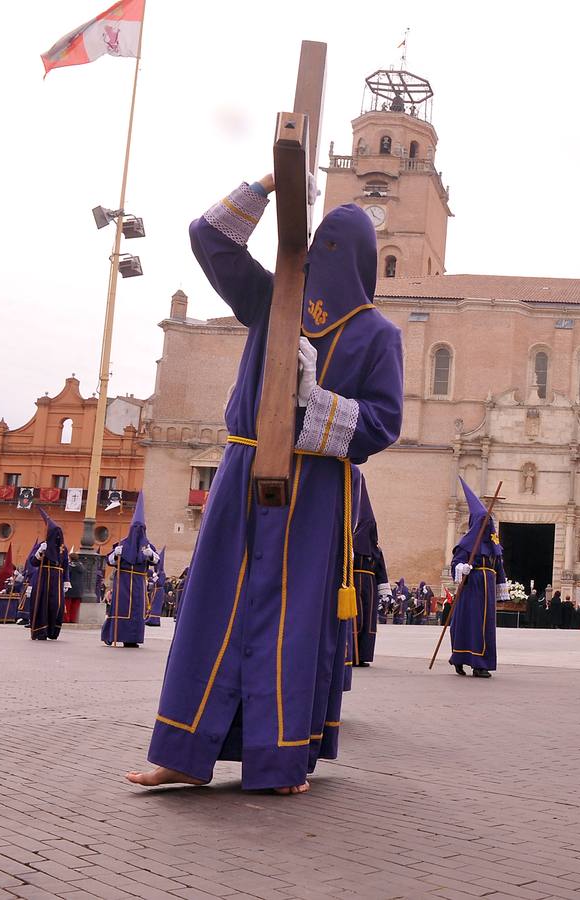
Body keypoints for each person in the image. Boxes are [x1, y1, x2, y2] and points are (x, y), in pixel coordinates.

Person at [126, 173, 404, 794]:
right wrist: (267, 185)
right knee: (212, 608)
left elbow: (384, 422)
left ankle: (279, 760)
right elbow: (210, 237)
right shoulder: (272, 299)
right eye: (312, 250)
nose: (316, 265)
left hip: (315, 490)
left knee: (293, 618)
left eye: (331, 252)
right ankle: (183, 750)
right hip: (241, 474)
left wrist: (316, 401)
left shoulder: (379, 336)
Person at [448, 478, 507, 678]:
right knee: (469, 623)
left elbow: (499, 567)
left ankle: (481, 664)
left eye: (488, 522)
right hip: (472, 588)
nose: (487, 526)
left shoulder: (493, 547)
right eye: (483, 522)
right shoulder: (466, 544)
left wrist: (501, 587)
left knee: (485, 625)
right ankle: (461, 658)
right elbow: (455, 564)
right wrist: (462, 567)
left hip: (487, 590)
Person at [101, 500, 158, 648]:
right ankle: (113, 635)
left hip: (138, 581)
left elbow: (157, 561)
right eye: (136, 528)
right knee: (121, 608)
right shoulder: (122, 544)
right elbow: (109, 560)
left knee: (136, 610)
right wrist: (116, 554)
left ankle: (132, 638)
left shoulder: (148, 545)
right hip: (123, 581)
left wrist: (151, 555)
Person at [350, 472, 389, 668]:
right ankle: (353, 654)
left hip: (370, 586)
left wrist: (386, 593)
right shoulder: (351, 547)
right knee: (357, 618)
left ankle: (364, 654)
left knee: (369, 619)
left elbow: (382, 572)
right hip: (355, 583)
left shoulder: (376, 550)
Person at [28, 508, 69, 641]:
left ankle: (53, 631)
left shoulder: (63, 549)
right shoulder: (42, 545)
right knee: (42, 603)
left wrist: (66, 581)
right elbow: (33, 562)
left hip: (57, 579)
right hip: (44, 577)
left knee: (55, 605)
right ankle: (41, 631)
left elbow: (65, 565)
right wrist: (40, 553)